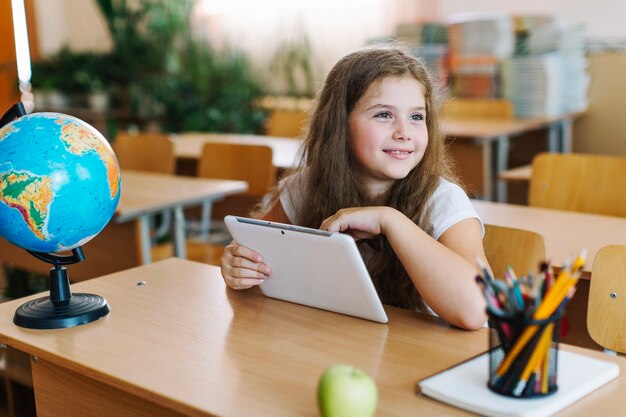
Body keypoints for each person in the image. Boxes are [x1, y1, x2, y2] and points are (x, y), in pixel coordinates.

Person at [220, 44, 488, 330]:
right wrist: (237, 265)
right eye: (384, 114)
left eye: (416, 116)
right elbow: (251, 253)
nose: (404, 132)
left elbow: (476, 310)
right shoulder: (304, 187)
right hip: (343, 347)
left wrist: (390, 220)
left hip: (425, 360)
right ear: (340, 124)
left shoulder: (444, 201)